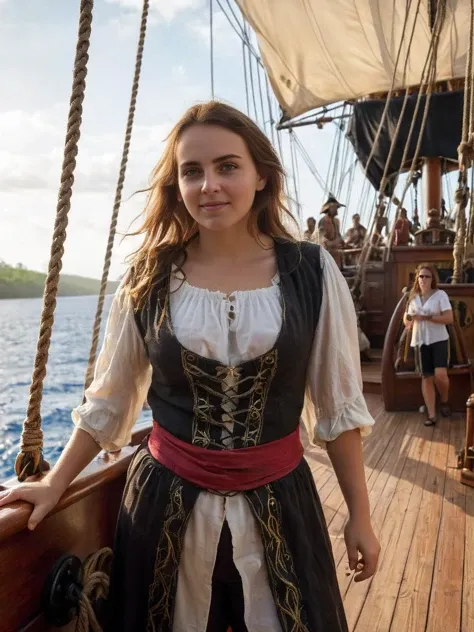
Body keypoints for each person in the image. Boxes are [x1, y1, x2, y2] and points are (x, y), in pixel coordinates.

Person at [0, 101, 379, 632]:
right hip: (162, 508)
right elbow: (108, 401)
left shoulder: (311, 273)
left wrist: (359, 516)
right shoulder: (149, 277)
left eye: (228, 166)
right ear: (175, 184)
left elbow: (339, 408)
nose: (210, 185)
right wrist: (55, 483)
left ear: (262, 177)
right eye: (192, 171)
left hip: (282, 503)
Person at [403, 264, 453, 426]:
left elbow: (449, 318)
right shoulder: (413, 297)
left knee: (440, 375)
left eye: (427, 276)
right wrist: (410, 318)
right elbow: (407, 320)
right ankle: (432, 415)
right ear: (417, 279)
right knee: (426, 377)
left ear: (433, 279)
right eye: (421, 276)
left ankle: (444, 400)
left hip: (439, 339)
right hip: (420, 341)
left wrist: (427, 318)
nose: (424, 279)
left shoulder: (440, 295)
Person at [318, 196, 345, 266]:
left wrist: (342, 241)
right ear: (329, 208)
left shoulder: (337, 221)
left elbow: (338, 234)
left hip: (337, 254)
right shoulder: (323, 221)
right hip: (327, 255)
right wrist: (331, 243)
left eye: (337, 208)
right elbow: (322, 238)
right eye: (334, 207)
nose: (336, 209)